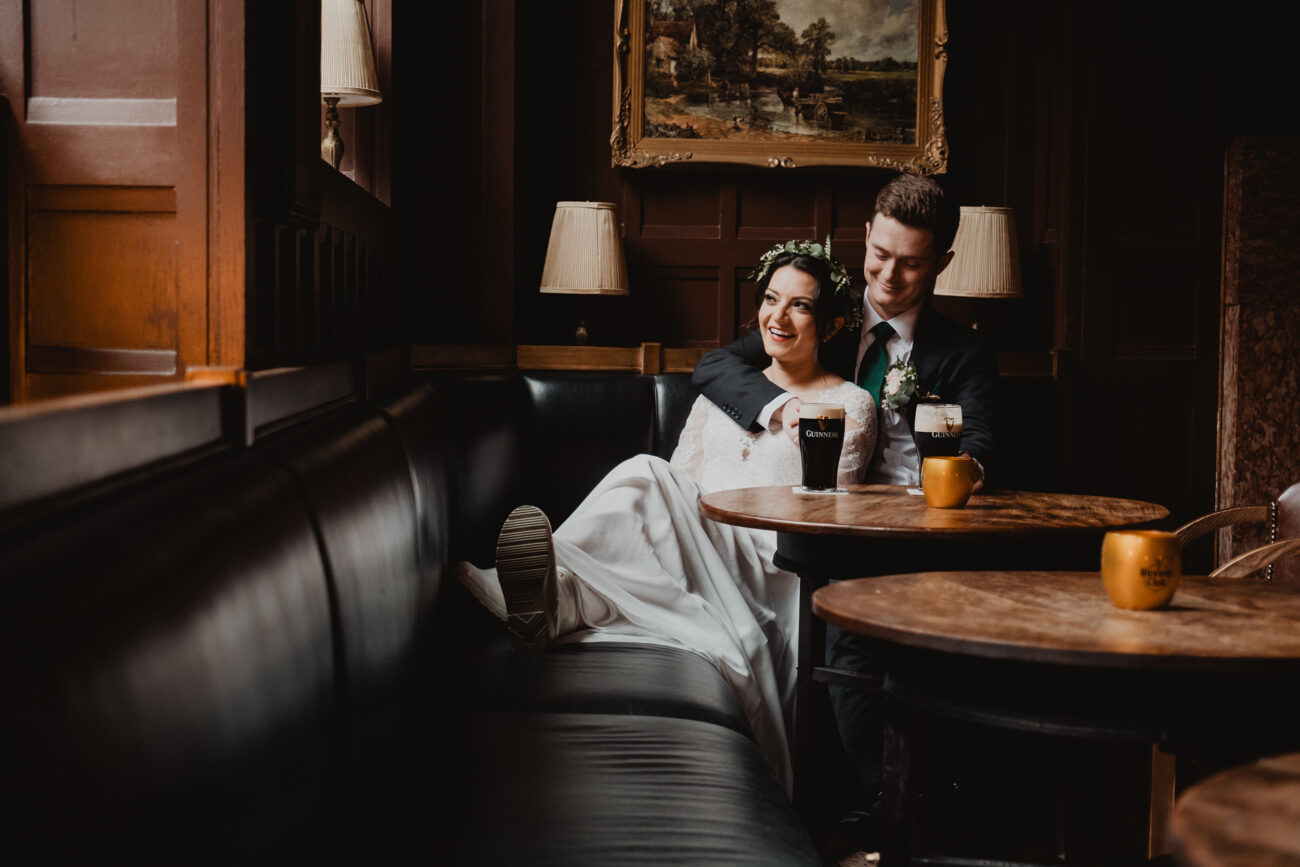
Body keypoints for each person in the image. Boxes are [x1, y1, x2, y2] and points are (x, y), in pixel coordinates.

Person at [457, 244, 877, 793]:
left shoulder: (849, 403)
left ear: (832, 322)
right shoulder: (727, 389)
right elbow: (684, 474)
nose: (778, 316)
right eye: (771, 299)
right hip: (695, 541)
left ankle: (551, 584)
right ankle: (550, 599)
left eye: (799, 306)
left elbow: (829, 513)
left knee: (645, 474)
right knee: (653, 486)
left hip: (769, 564)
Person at [691, 174, 999, 813]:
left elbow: (983, 450)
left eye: (911, 264)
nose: (887, 277)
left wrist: (958, 473)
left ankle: (900, 810)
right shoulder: (818, 314)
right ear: (865, 237)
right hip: (819, 530)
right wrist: (783, 409)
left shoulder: (963, 353)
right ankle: (876, 805)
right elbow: (716, 366)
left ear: (941, 261)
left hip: (909, 534)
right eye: (880, 255)